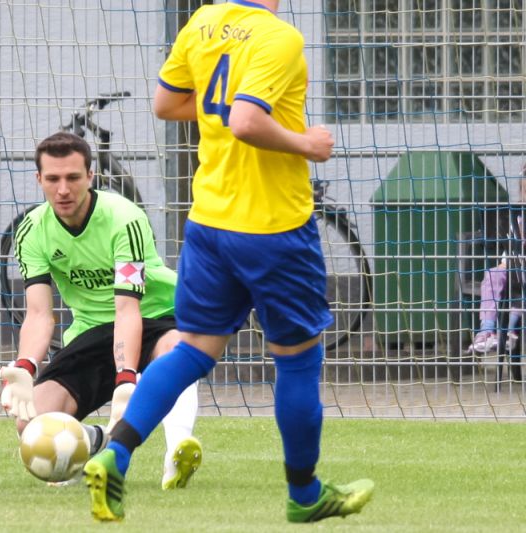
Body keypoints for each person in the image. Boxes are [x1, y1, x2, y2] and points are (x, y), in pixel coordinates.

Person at [83, 0, 374, 523]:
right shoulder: (279, 38)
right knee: (298, 359)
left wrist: (228, 109)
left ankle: (116, 452)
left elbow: (166, 104)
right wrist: (306, 144)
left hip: (209, 224)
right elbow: (245, 121)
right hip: (274, 230)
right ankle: (305, 494)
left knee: (193, 350)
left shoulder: (203, 21)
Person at [0, 131, 201, 489]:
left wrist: (126, 377)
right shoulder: (31, 231)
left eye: (73, 178)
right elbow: (39, 314)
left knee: (179, 351)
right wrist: (25, 366)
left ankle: (177, 451)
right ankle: (96, 442)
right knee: (30, 423)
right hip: (92, 329)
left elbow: (127, 309)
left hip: (155, 316)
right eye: (53, 179)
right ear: (39, 179)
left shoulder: (124, 218)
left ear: (91, 176)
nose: (63, 189)